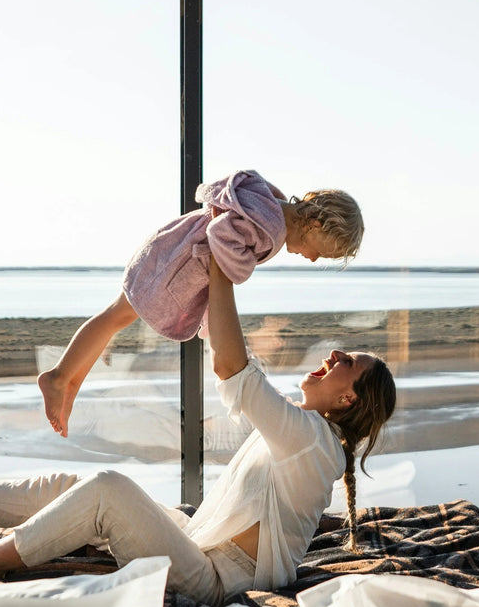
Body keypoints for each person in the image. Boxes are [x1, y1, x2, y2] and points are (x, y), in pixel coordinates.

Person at [0, 257, 395, 607]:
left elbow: (234, 370)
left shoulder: (314, 443)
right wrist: (201, 274)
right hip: (197, 541)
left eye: (347, 361)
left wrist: (225, 269)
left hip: (216, 579)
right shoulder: (305, 433)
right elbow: (236, 357)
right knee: (74, 486)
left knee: (108, 489)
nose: (333, 354)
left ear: (348, 398)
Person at [38, 170, 364, 436]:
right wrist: (240, 270)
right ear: (317, 225)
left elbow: (234, 204)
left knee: (116, 317)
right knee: (115, 317)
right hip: (175, 263)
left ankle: (69, 382)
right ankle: (58, 377)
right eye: (321, 252)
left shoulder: (271, 203)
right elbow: (221, 233)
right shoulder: (271, 228)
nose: (312, 258)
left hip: (172, 246)